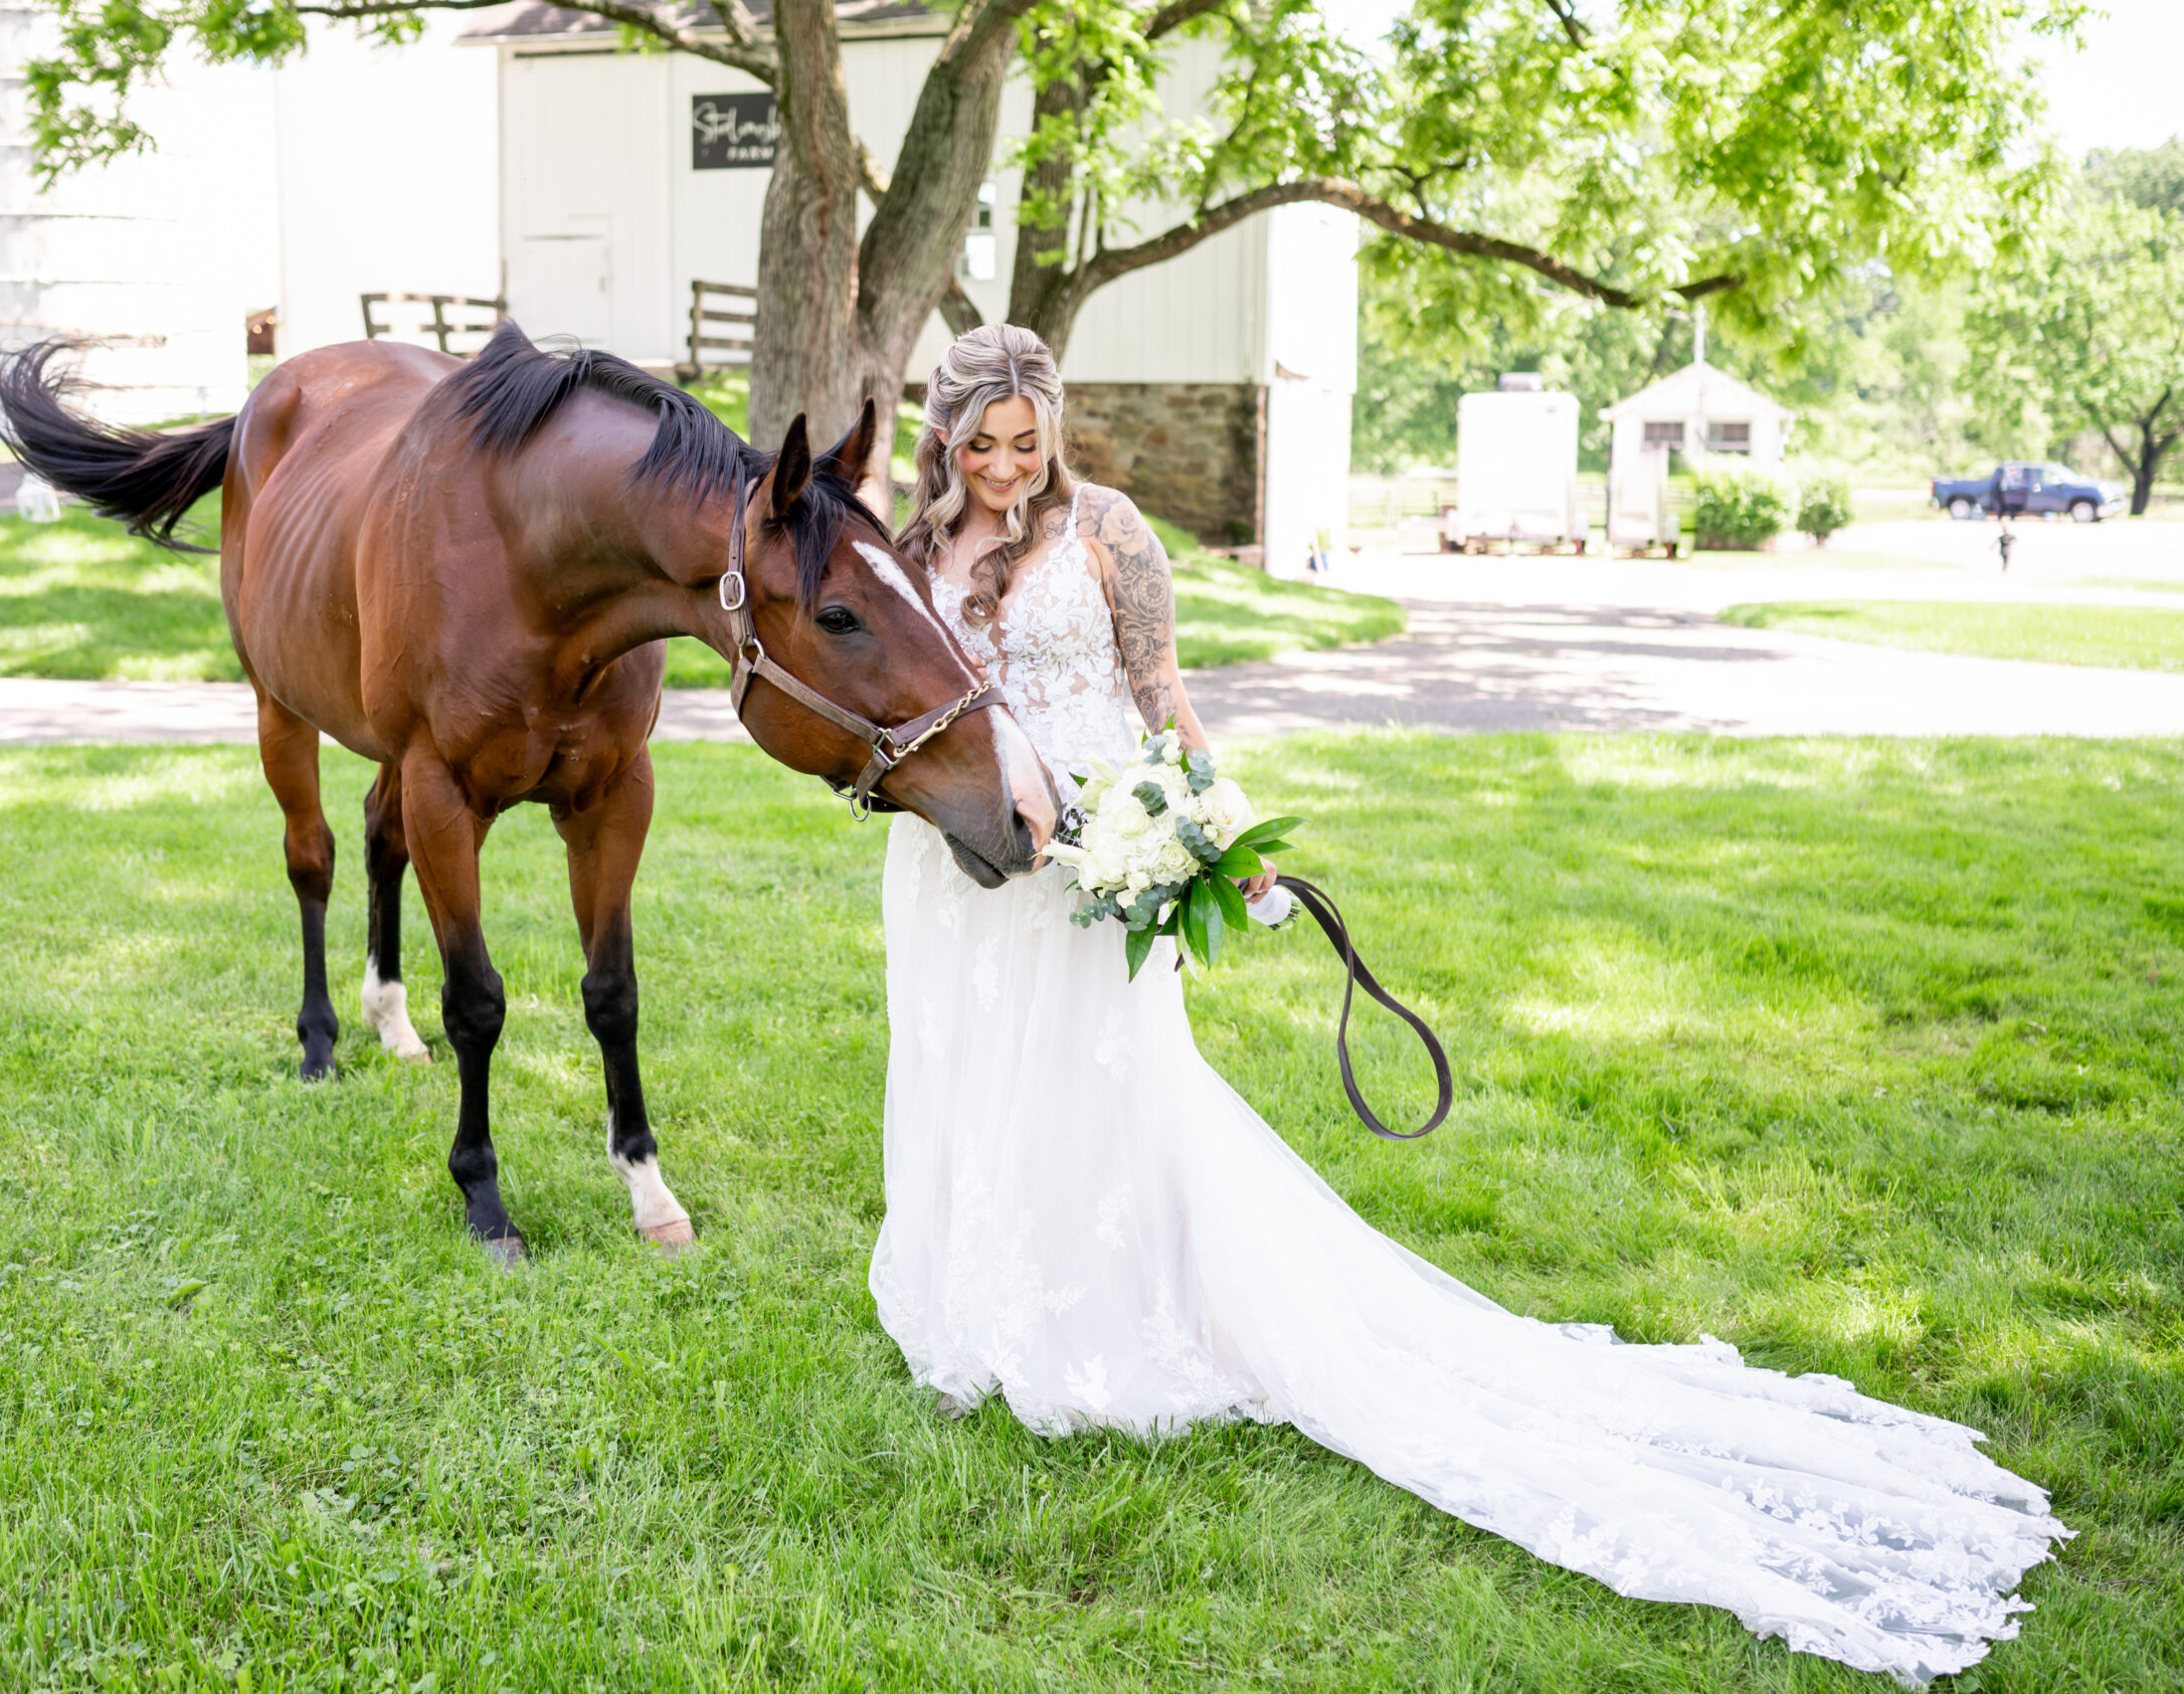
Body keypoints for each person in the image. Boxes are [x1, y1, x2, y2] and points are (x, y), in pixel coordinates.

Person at [869, 324, 2064, 1684]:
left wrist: (1226, 840)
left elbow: (1161, 699)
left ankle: (1113, 1311)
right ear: (944, 441)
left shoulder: (1114, 532)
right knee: (974, 1067)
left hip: (1107, 860)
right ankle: (985, 1290)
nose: (1011, 468)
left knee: (1102, 1078)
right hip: (964, 864)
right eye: (985, 446)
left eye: (1030, 442)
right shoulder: (910, 558)